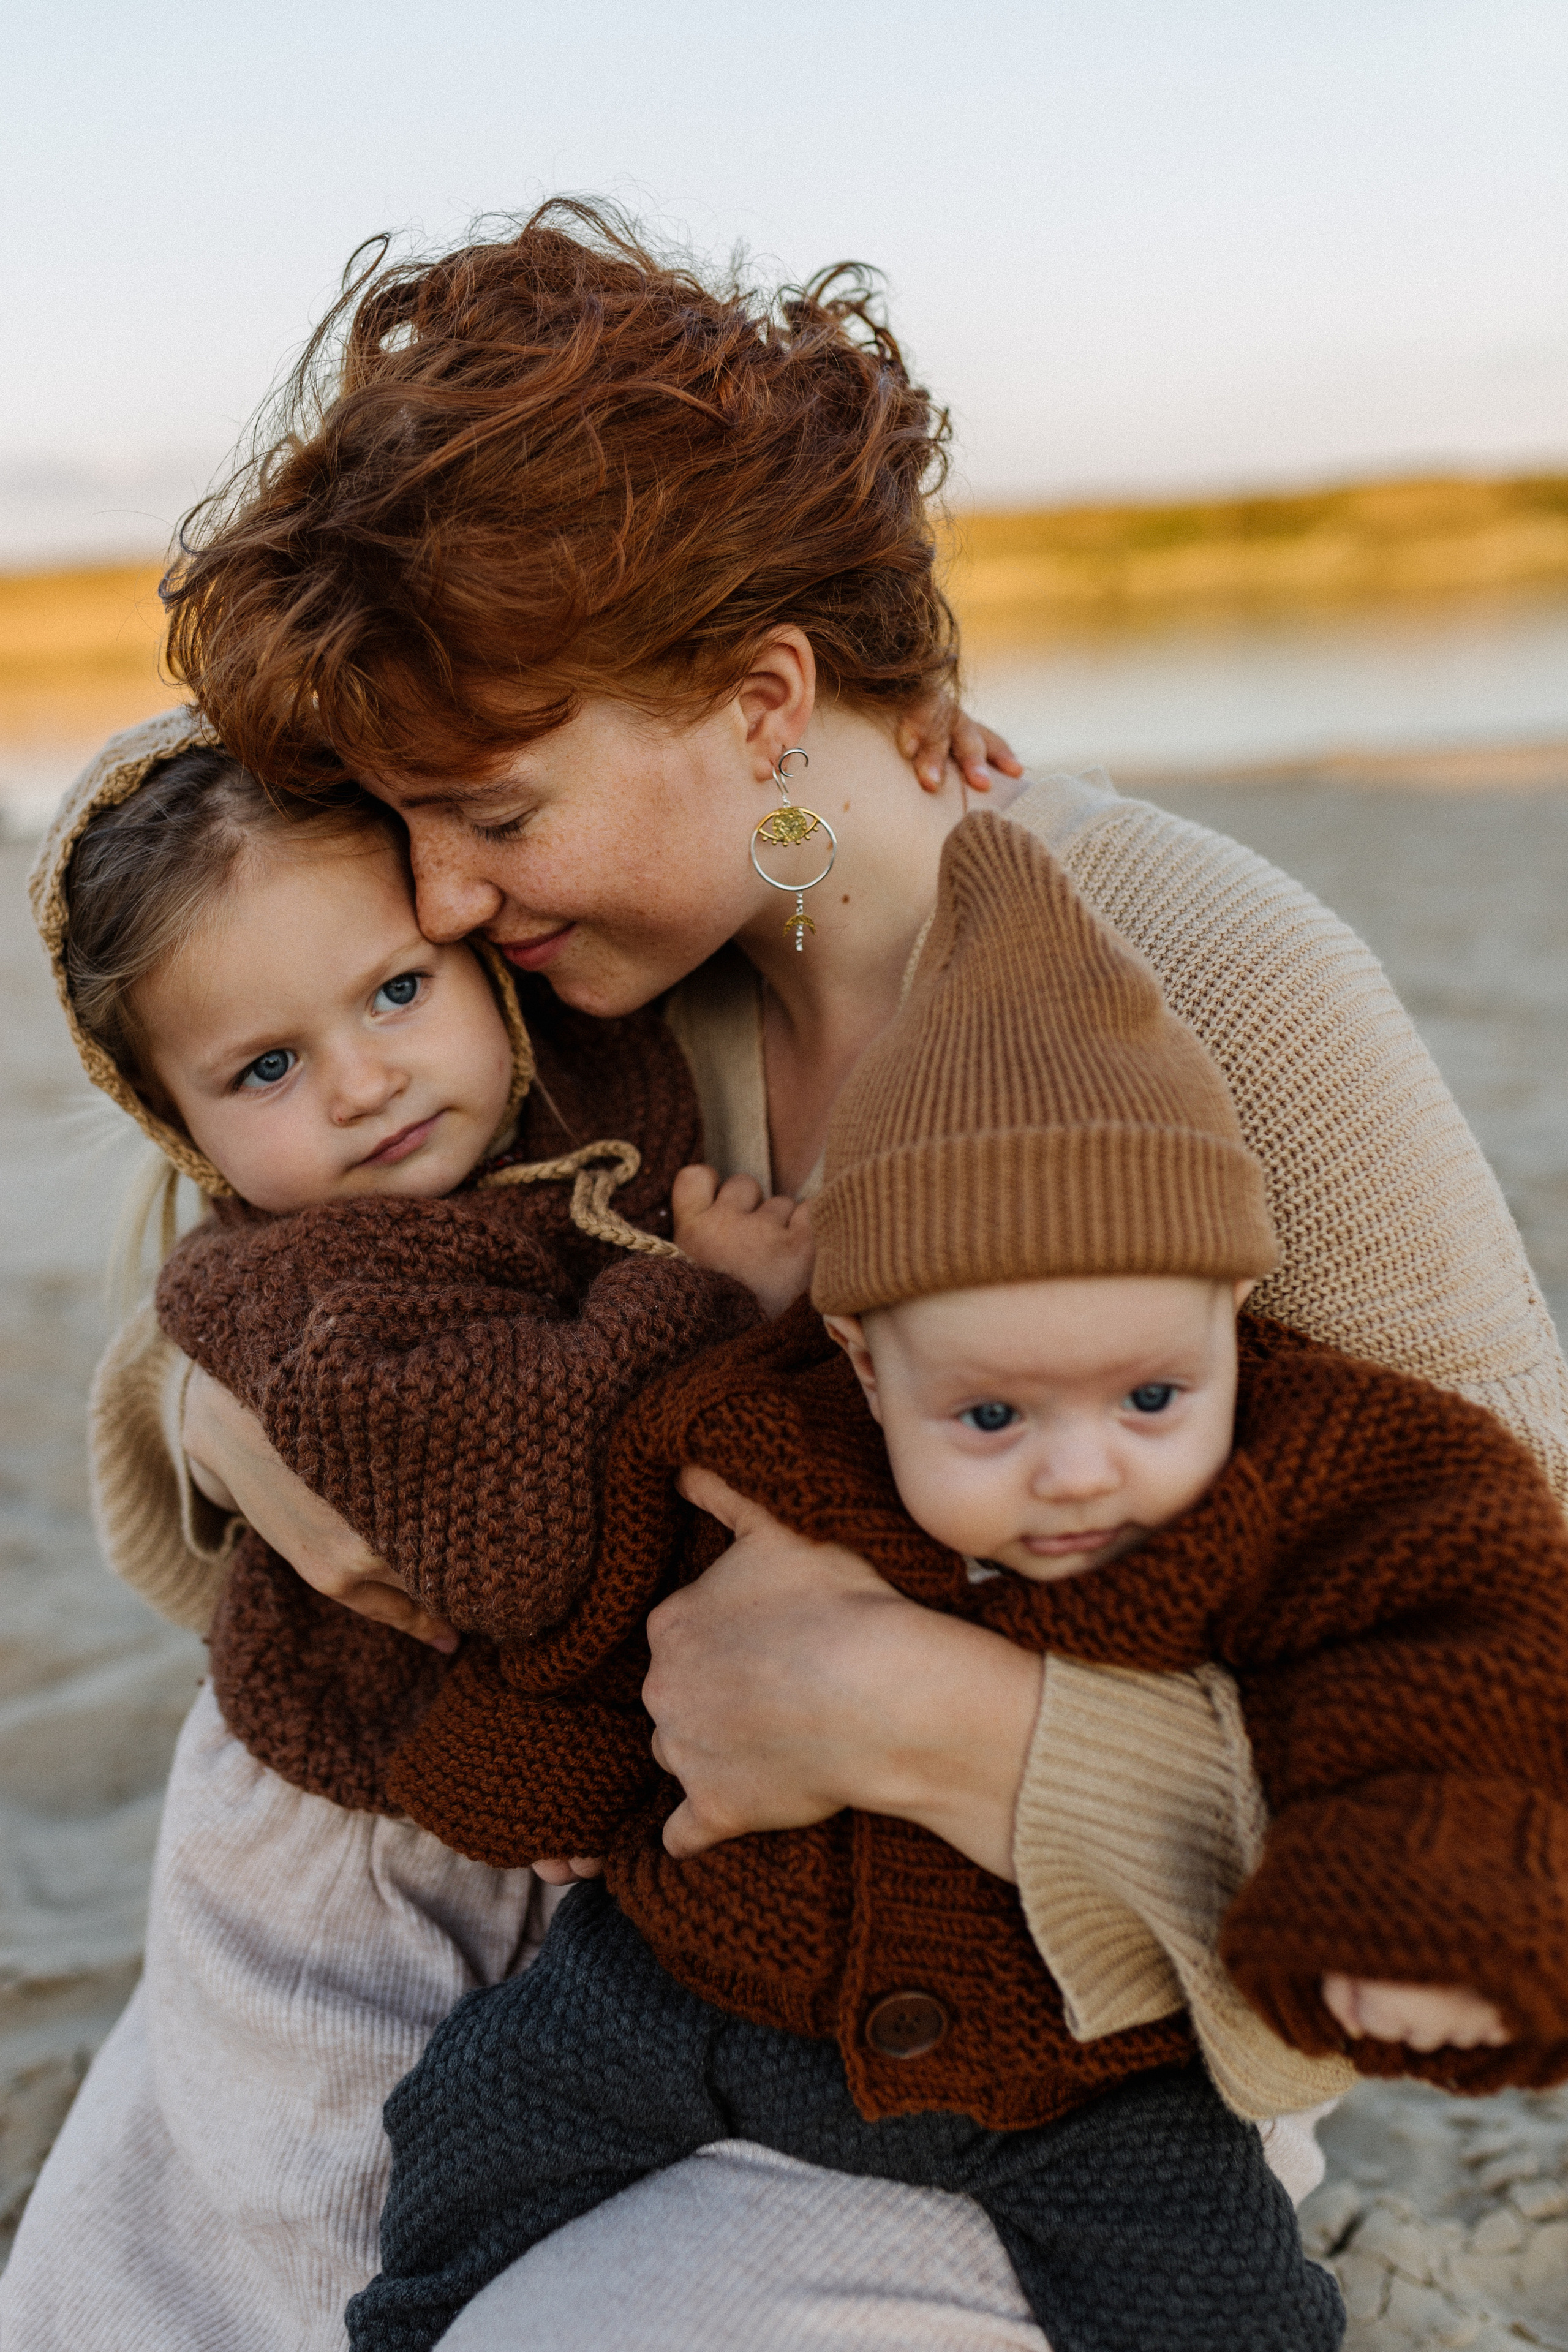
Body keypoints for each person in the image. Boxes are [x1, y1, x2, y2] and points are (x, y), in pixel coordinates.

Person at [7, 200, 1567, 2351]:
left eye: (492, 812)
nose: (436, 899)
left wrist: (956, 1730)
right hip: (601, 1960)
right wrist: (204, 1414)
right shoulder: (584, 981)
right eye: (408, 820)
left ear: (763, 703)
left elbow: (1508, 1649)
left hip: (1043, 2034)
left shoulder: (1212, 979)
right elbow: (270, 1239)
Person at [349, 813, 1568, 2352]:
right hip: (692, 1986)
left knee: (1221, 2297)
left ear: (1233, 1314)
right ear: (862, 1361)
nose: (1080, 1472)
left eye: (1150, 1397)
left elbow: (1448, 1660)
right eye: (989, 1417)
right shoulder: (758, 1424)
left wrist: (1404, 1908)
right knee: (466, 2120)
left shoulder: (1313, 1468)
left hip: (1078, 2066)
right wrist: (515, 1771)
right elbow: (606, 1610)